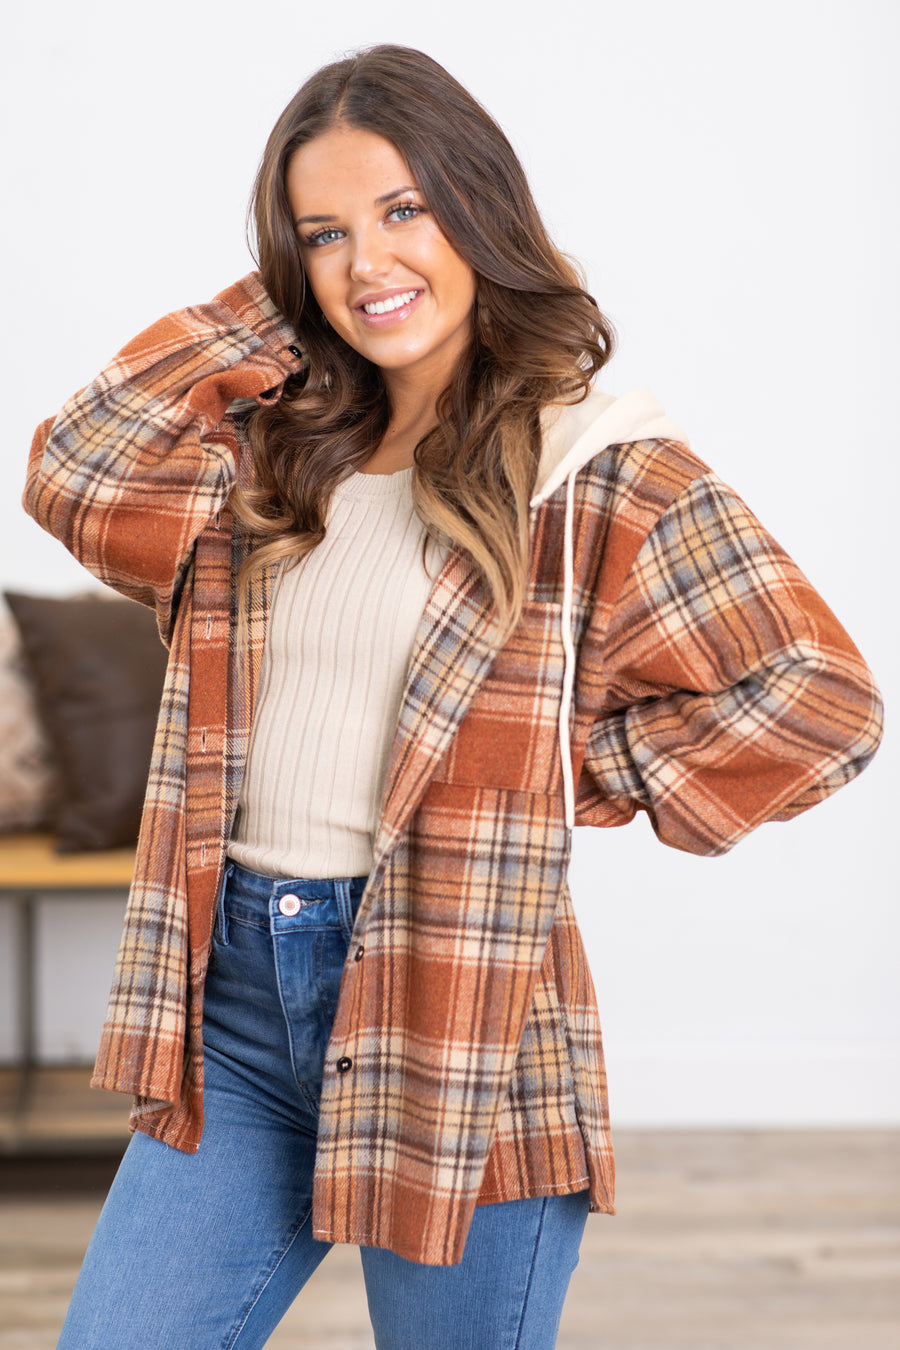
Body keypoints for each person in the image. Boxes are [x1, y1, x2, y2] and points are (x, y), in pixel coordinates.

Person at [24, 43, 882, 1350]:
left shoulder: (593, 465)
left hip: (458, 1009)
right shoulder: (273, 448)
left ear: (479, 208)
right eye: (325, 232)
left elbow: (822, 698)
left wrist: (573, 768)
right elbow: (76, 472)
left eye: (404, 210)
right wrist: (279, 306)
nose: (367, 261)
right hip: (237, 1002)